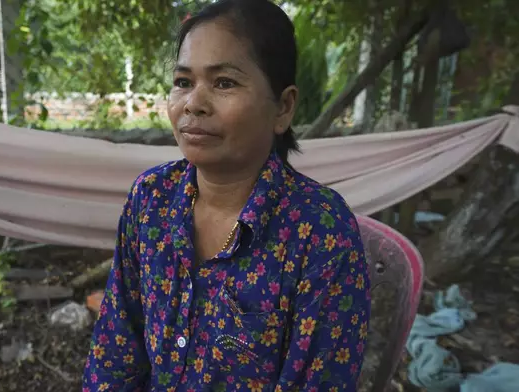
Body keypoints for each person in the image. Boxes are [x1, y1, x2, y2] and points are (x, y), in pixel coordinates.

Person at [82, 0, 371, 390]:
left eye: (224, 83)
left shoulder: (320, 233)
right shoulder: (150, 200)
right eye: (183, 82)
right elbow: (115, 351)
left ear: (283, 108)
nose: (193, 104)